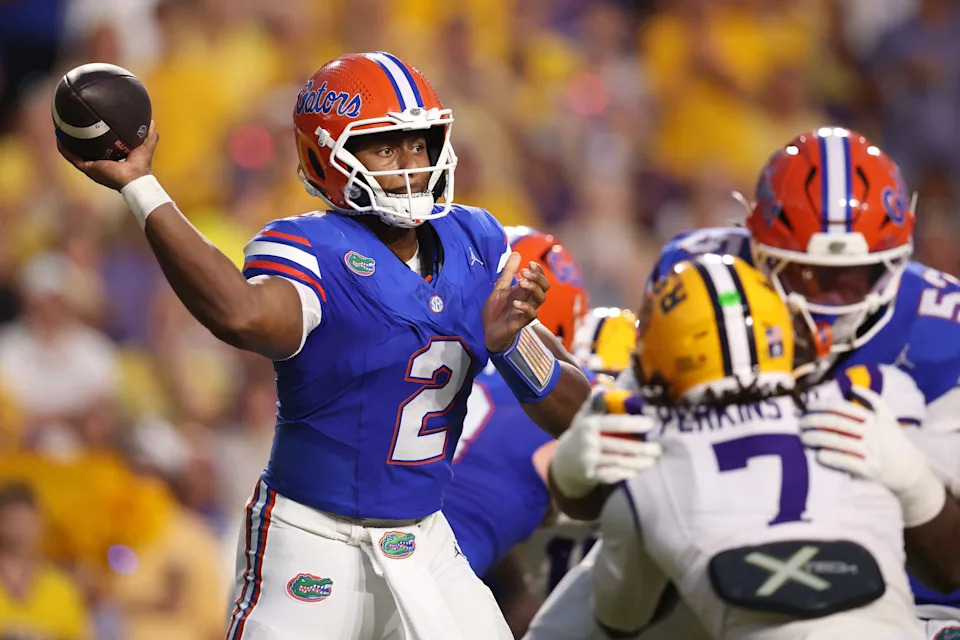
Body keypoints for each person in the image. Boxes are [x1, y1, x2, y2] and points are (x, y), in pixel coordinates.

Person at [57, 51, 591, 640]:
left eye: (419, 144)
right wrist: (142, 187)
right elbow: (241, 315)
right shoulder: (311, 247)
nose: (411, 164)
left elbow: (574, 412)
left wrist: (514, 345)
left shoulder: (475, 240)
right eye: (386, 147)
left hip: (427, 539)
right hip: (312, 538)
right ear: (327, 155)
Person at [646, 127, 960, 638]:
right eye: (804, 274)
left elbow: (951, 565)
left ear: (895, 260)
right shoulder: (701, 277)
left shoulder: (944, 332)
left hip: (912, 603)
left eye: (851, 278)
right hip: (733, 571)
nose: (826, 302)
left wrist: (913, 478)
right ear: (758, 248)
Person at [552, 255, 960, 639]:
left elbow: (619, 620)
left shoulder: (648, 473)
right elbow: (950, 569)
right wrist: (914, 480)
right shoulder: (869, 404)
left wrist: (567, 479)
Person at [0, 482, 89, 640]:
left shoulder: (62, 589)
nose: (21, 529)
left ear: (40, 523)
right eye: (13, 520)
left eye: (26, 521)